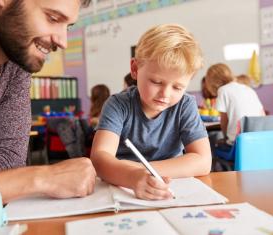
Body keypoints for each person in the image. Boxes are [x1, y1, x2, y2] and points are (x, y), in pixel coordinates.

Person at [0, 0, 96, 203]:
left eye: (68, 26)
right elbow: (10, 174)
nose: (63, 41)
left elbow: (8, 156)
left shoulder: (15, 62)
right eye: (53, 18)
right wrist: (39, 179)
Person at [90, 24, 211, 200]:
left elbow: (203, 161)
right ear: (135, 69)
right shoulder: (118, 105)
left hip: (171, 189)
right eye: (156, 82)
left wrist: (143, 171)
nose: (165, 94)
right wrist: (132, 177)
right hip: (124, 190)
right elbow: (100, 159)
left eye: (178, 87)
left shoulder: (185, 105)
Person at [205, 63, 264, 149]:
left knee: (212, 140)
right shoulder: (248, 89)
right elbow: (262, 114)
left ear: (212, 82)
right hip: (258, 140)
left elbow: (224, 121)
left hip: (238, 144)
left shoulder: (223, 90)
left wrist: (225, 138)